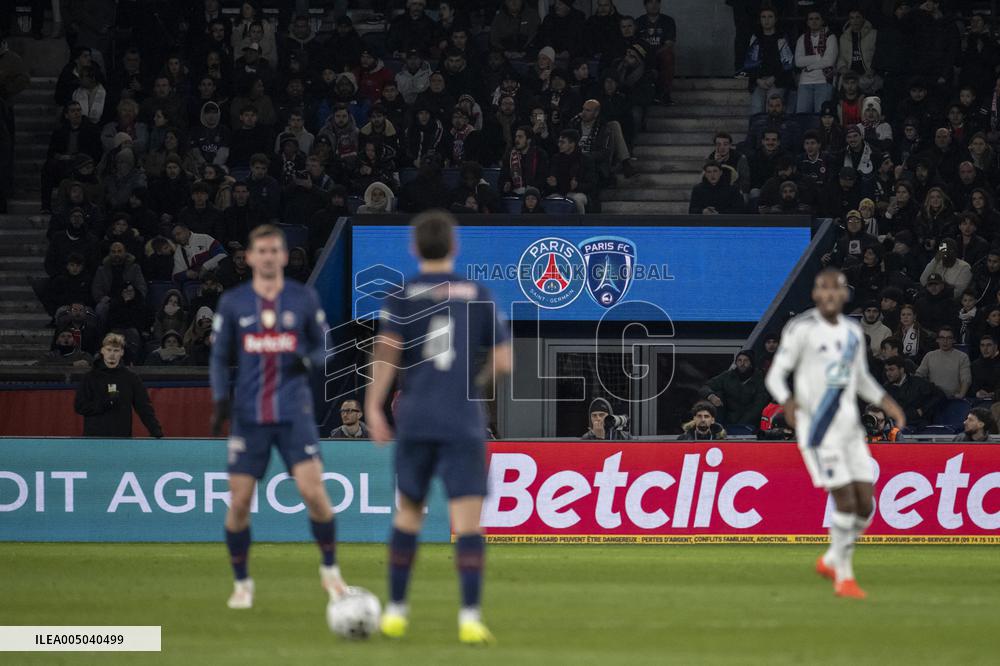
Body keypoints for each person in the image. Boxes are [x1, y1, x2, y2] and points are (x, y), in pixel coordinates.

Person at [364, 211, 512, 644]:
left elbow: (387, 354)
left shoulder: (402, 294)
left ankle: (395, 612)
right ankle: (468, 618)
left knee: (409, 514)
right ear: (454, 247)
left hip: (416, 417)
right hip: (463, 420)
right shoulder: (478, 293)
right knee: (467, 522)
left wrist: (374, 407)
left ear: (414, 248)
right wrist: (474, 385)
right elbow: (503, 362)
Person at [209, 224, 348, 611]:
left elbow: (327, 348)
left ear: (284, 257)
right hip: (249, 416)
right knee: (239, 502)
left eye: (275, 250)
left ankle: (331, 570)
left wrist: (307, 359)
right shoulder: (234, 303)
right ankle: (241, 582)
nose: (268, 256)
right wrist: (221, 399)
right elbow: (220, 357)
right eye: (262, 251)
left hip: (293, 413)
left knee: (313, 493)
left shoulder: (302, 299)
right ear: (250, 257)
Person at [765, 268, 906, 599]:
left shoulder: (853, 333)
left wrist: (888, 403)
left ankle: (830, 558)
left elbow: (860, 379)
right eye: (822, 289)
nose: (829, 295)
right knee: (844, 498)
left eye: (836, 289)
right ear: (815, 295)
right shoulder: (801, 329)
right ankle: (844, 575)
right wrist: (788, 404)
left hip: (849, 426)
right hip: (817, 429)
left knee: (865, 504)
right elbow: (775, 376)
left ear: (844, 295)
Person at [73, 333, 163, 438]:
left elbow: (144, 407)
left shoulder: (131, 378)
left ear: (121, 353)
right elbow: (80, 407)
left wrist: (156, 431)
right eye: (109, 350)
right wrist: (105, 403)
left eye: (116, 351)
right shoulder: (89, 378)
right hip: (94, 438)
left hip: (121, 437)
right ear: (102, 351)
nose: (112, 354)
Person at [700, 350, 770, 427]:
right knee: (718, 394)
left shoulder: (760, 379)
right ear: (736, 363)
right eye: (739, 360)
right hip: (727, 421)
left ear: (751, 363)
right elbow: (705, 387)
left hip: (751, 423)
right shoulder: (728, 376)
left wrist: (740, 425)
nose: (742, 364)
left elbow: (758, 406)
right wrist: (711, 396)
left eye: (746, 361)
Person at [883, 355, 944, 428]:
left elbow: (939, 395)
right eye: (886, 370)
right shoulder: (886, 388)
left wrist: (923, 410)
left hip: (919, 426)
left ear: (901, 370)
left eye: (891, 369)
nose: (888, 373)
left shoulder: (918, 383)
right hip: (896, 426)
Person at [915, 326, 971, 399]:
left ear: (954, 340)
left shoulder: (962, 357)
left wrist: (961, 395)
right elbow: (919, 375)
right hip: (933, 398)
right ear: (937, 340)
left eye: (948, 338)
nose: (945, 341)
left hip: (953, 398)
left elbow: (966, 379)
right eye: (942, 338)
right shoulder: (929, 356)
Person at [970, 334, 1000, 401]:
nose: (985, 349)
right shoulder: (975, 365)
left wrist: (995, 394)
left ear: (995, 347)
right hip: (979, 401)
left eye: (989, 345)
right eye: (982, 345)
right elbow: (971, 387)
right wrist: (977, 393)